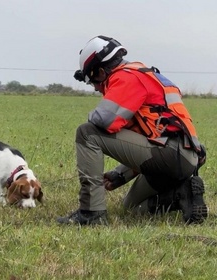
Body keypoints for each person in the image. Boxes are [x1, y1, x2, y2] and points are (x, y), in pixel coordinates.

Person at [56, 35, 208, 226]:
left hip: (171, 156)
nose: (95, 88)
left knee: (87, 133)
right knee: (131, 209)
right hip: (181, 158)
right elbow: (150, 139)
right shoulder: (144, 74)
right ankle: (180, 195)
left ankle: (91, 212)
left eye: (92, 81)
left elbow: (104, 120)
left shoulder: (126, 77)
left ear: (101, 72)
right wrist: (120, 175)